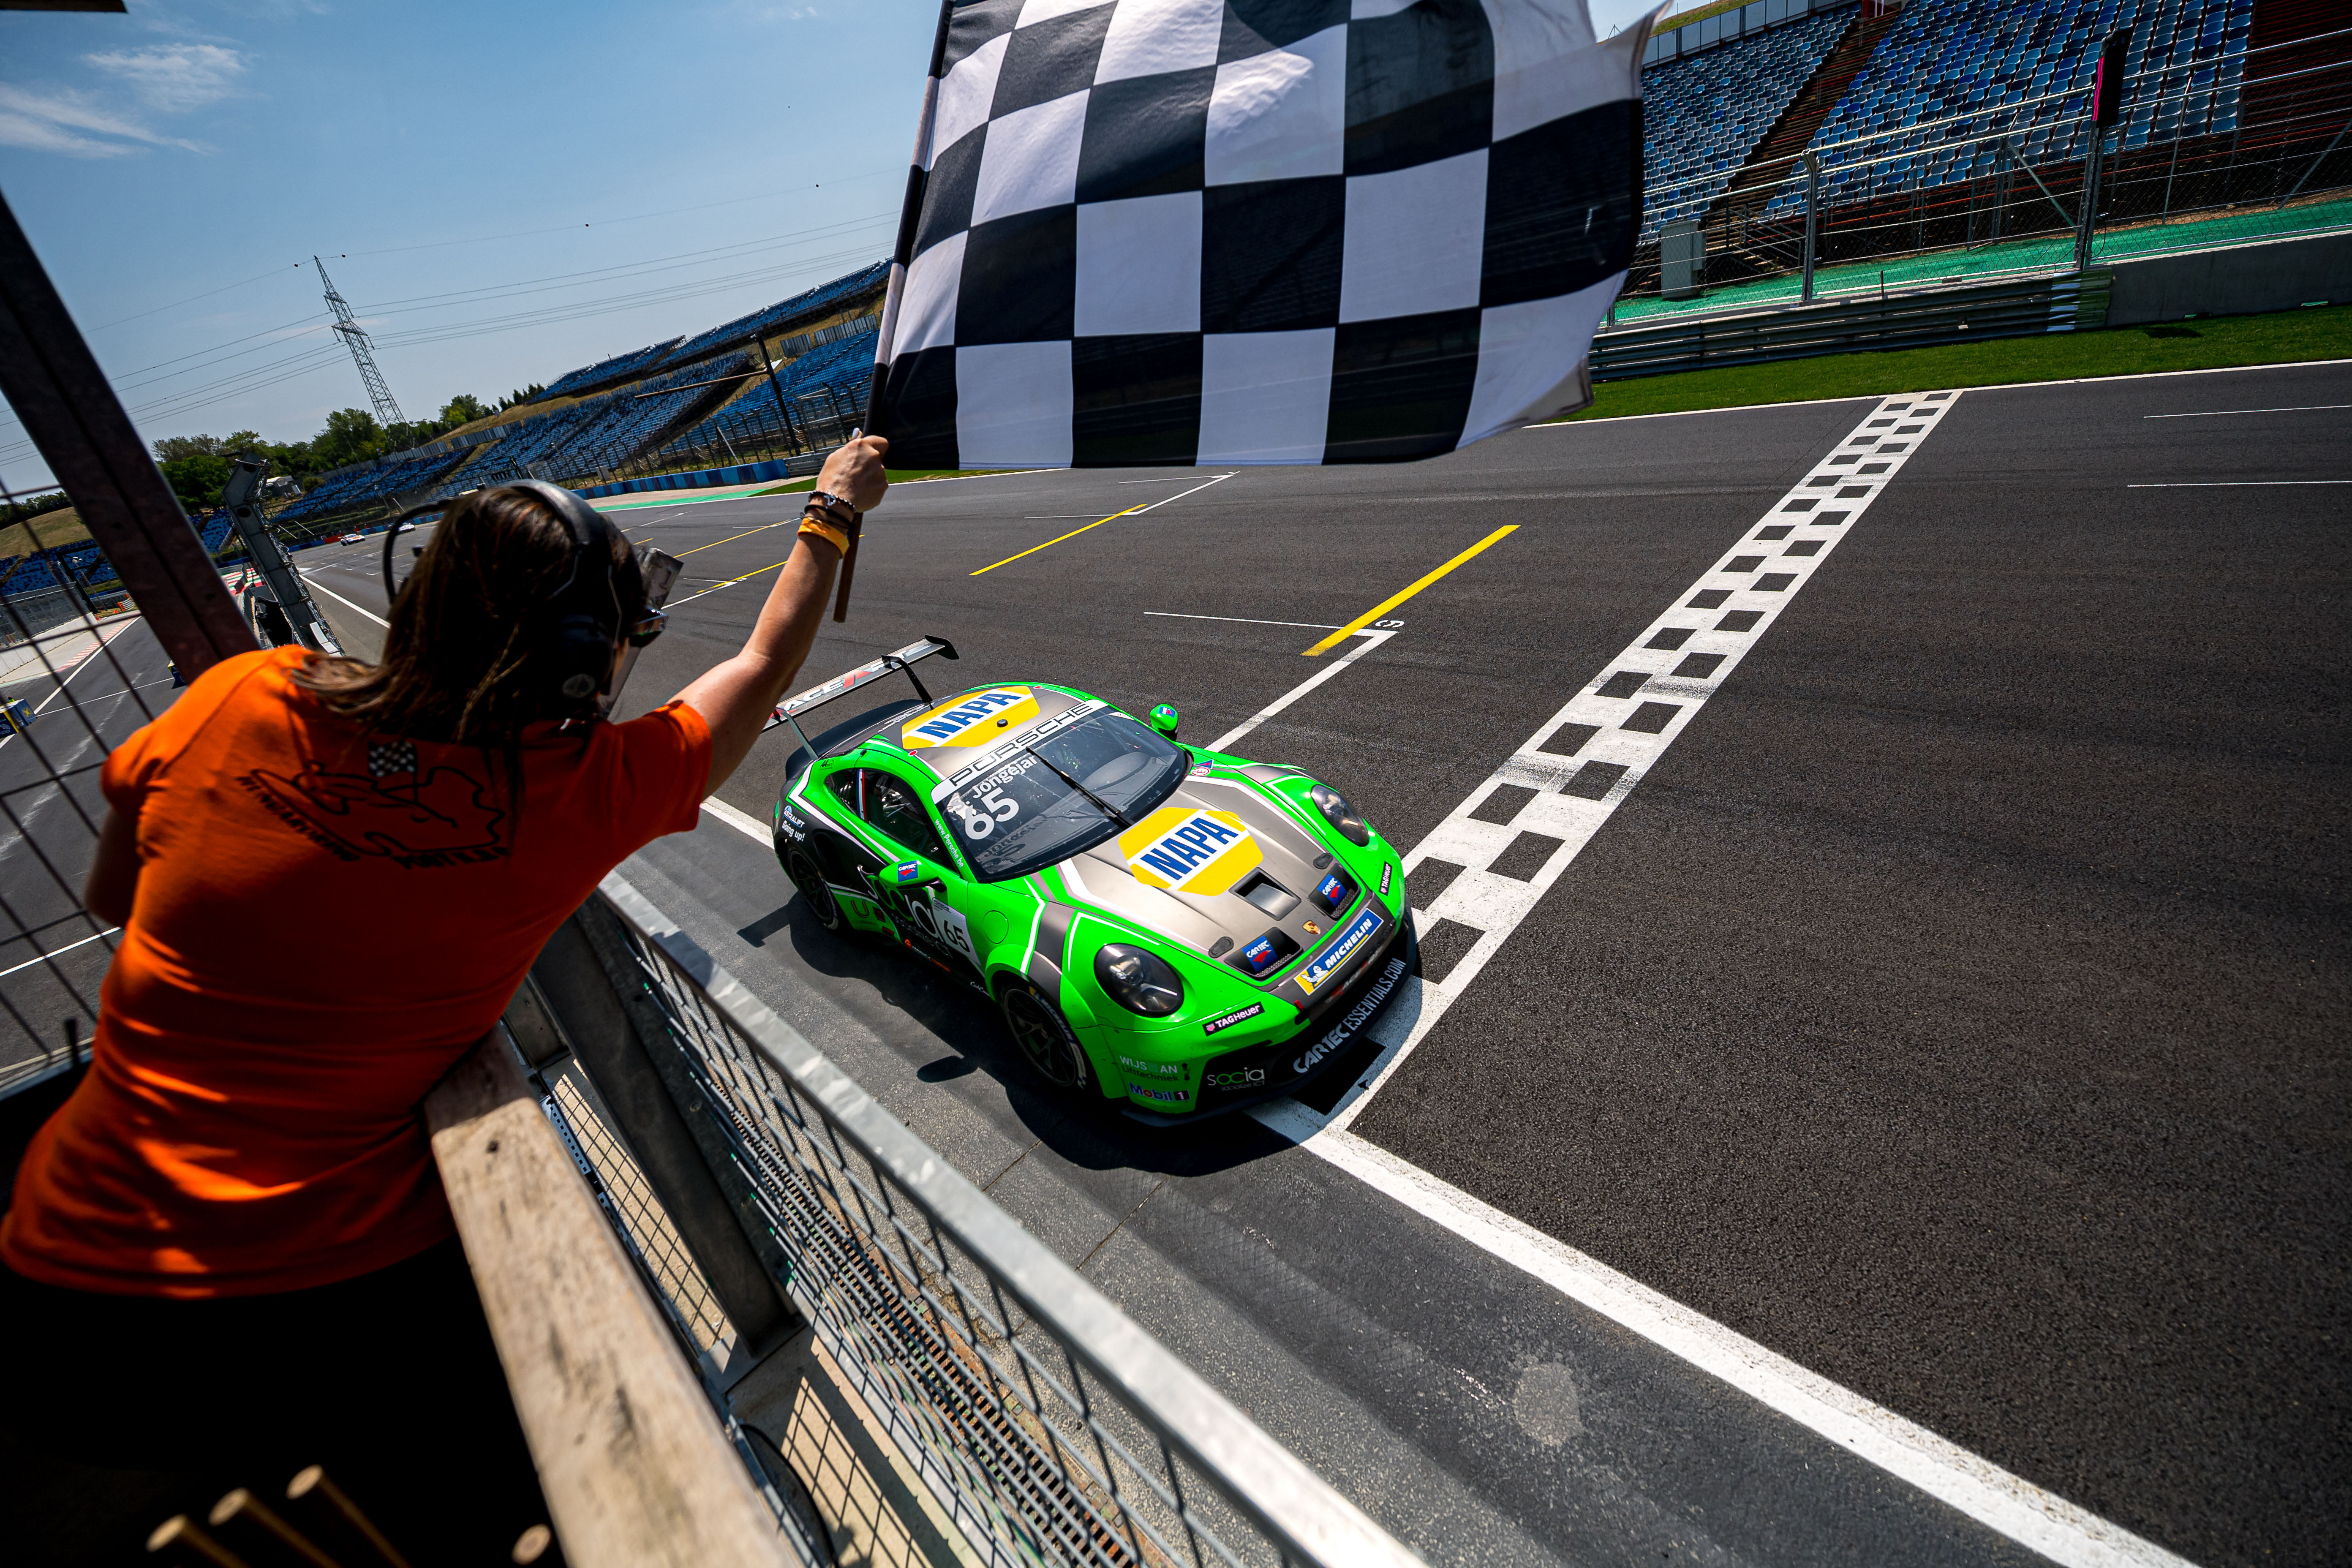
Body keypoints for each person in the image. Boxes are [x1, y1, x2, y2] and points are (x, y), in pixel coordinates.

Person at [0, 437, 887, 1563]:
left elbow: (111, 899)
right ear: (583, 663)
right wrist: (831, 508)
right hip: (332, 1312)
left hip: (61, 1310)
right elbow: (763, 661)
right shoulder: (577, 795)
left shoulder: (238, 695)